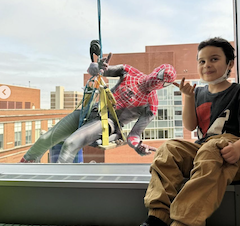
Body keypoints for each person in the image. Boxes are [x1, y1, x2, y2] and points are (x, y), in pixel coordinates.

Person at [122, 37, 240, 226]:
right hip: (206, 152)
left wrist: (238, 148)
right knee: (168, 148)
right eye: (202, 61)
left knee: (213, 146)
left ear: (230, 64)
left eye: (214, 59)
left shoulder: (239, 92)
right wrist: (187, 97)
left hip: (236, 155)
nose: (207, 65)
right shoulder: (199, 92)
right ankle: (158, 218)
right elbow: (191, 125)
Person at [20, 57, 176, 163]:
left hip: (108, 123)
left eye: (164, 83)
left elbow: (134, 135)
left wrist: (138, 146)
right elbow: (94, 70)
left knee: (70, 144)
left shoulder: (151, 104)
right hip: (90, 111)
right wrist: (99, 66)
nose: (158, 82)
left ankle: (60, 184)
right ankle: (25, 168)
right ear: (157, 70)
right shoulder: (129, 72)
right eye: (161, 76)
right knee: (47, 138)